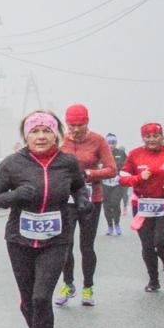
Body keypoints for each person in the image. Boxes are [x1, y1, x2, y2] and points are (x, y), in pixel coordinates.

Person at [0, 110, 90, 328]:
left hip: (55, 239)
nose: (41, 136)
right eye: (35, 131)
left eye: (46, 131)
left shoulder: (67, 162)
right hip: (19, 240)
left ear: (56, 135)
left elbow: (79, 186)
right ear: (26, 136)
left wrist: (82, 201)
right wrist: (16, 195)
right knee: (27, 300)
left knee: (41, 298)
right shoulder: (12, 163)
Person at [54, 104, 116, 307]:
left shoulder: (98, 140)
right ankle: (68, 284)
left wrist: (89, 174)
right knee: (65, 244)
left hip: (91, 199)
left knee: (86, 246)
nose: (75, 129)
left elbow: (112, 169)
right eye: (71, 125)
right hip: (66, 200)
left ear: (87, 122)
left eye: (79, 124)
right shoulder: (60, 140)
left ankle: (88, 287)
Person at [117, 122, 164, 292]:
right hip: (143, 204)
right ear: (143, 138)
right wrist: (139, 178)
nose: (151, 140)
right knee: (147, 245)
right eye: (147, 137)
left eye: (155, 136)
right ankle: (153, 280)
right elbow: (122, 178)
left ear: (161, 136)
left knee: (161, 241)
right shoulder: (135, 154)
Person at [101, 132, 130, 236]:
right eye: (109, 143)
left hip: (117, 184)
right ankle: (110, 226)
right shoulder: (100, 153)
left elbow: (127, 166)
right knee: (106, 205)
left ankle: (117, 224)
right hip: (104, 184)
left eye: (113, 143)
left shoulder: (121, 153)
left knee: (115, 203)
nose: (111, 145)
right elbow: (95, 166)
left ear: (116, 143)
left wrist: (122, 175)